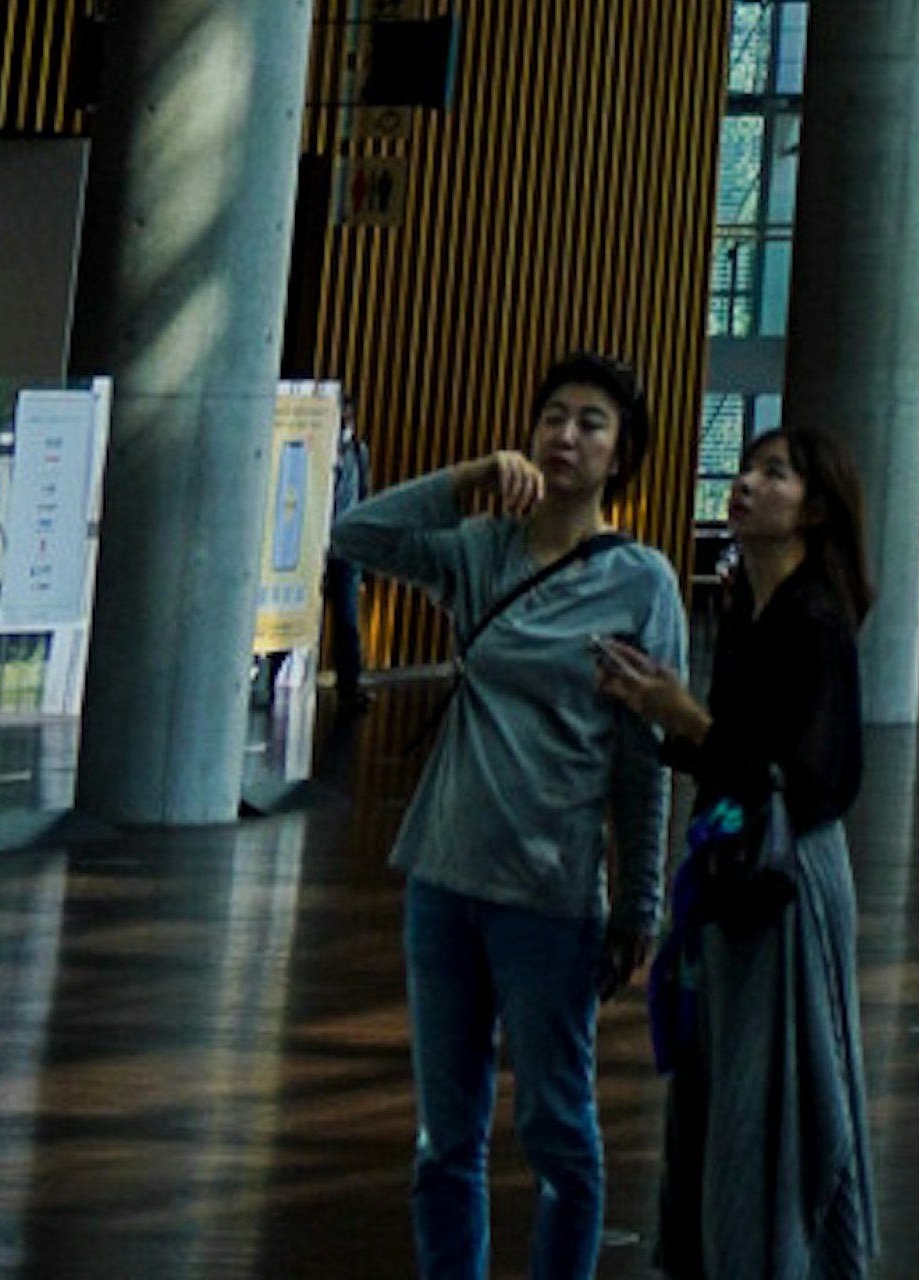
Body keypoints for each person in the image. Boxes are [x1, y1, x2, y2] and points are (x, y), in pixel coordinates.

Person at [327, 348, 690, 1280]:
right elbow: (355, 535)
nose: (565, 436)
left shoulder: (641, 583)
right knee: (445, 1138)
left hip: (551, 892)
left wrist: (640, 903)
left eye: (591, 423)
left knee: (558, 1132)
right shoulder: (483, 550)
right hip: (445, 879)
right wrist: (472, 477)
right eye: (552, 417)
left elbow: (643, 762)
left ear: (621, 455)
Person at [595, 420, 878, 1280]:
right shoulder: (749, 606)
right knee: (729, 1085)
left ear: (814, 510)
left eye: (775, 474)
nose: (749, 485)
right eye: (748, 470)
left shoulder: (813, 621)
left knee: (776, 1088)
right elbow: (734, 751)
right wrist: (666, 718)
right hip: (735, 870)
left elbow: (813, 779)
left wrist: (687, 720)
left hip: (786, 882)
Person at [325, 394, 375, 722]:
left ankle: (349, 684)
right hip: (317, 544)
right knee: (301, 617)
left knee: (347, 618)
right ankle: (267, 682)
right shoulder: (323, 447)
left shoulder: (358, 450)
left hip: (348, 546)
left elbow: (364, 494)